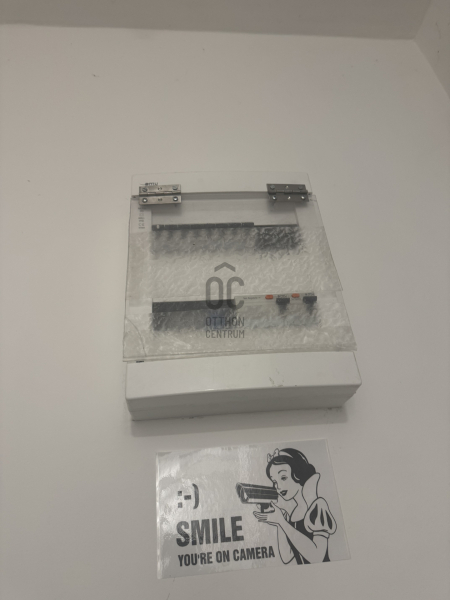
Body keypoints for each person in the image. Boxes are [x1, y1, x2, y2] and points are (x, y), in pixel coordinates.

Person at [253, 448, 336, 565]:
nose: (278, 486)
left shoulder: (317, 506)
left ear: (298, 474)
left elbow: (317, 557)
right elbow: (286, 557)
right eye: (274, 481)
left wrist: (282, 522)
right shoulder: (294, 514)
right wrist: (280, 521)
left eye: (283, 478)